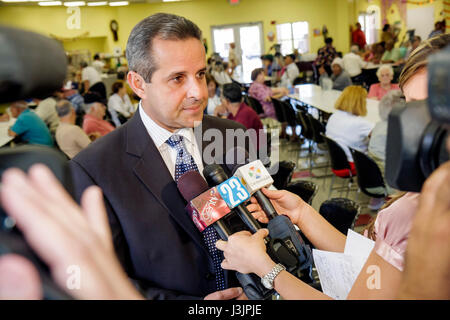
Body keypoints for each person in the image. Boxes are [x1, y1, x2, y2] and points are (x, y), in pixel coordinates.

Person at [215, 33, 450, 301]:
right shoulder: (427, 192)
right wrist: (301, 213)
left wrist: (265, 269)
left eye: (429, 109)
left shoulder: (427, 212)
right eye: (409, 107)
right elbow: (374, 264)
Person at [70, 13, 249, 300]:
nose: (198, 92)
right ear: (138, 84)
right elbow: (103, 279)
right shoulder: (94, 170)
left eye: (200, 74)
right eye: (178, 78)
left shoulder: (234, 136)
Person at [325, 85, 373, 164]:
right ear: (360, 102)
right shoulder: (360, 123)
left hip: (337, 163)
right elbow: (381, 137)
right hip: (356, 165)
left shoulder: (334, 116)